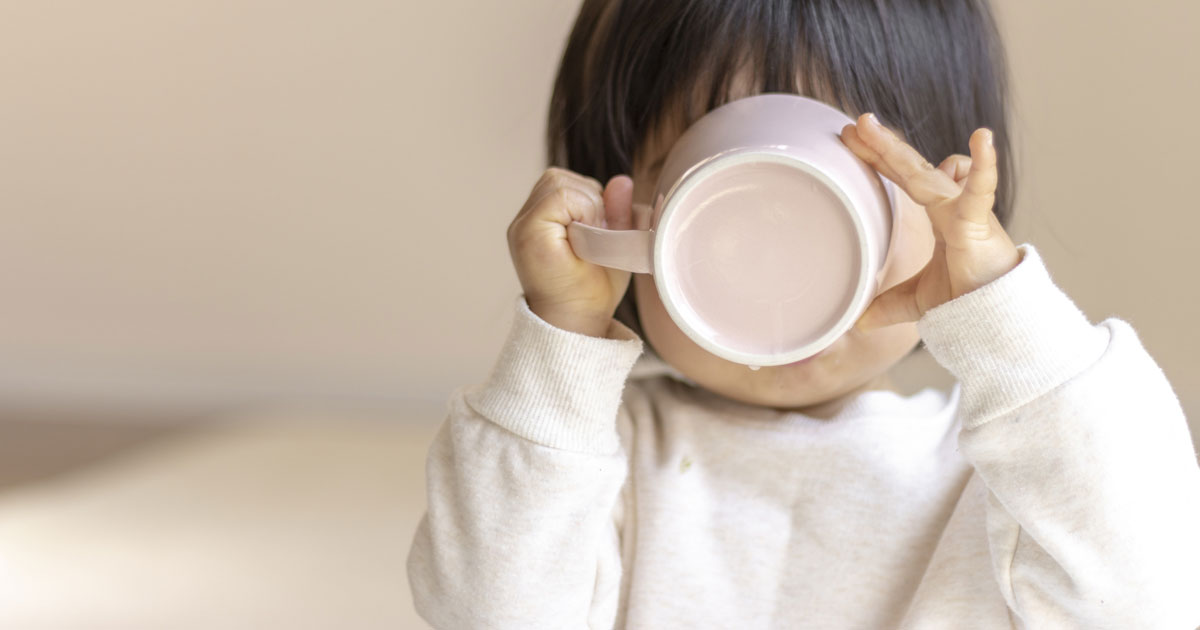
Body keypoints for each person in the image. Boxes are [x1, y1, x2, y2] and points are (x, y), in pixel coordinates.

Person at [407, 1, 1200, 627]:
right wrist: (563, 339)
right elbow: (484, 611)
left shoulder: (1009, 467)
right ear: (625, 210)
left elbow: (1153, 596)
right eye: (723, 201)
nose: (779, 262)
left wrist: (1006, 321)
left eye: (861, 185)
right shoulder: (582, 464)